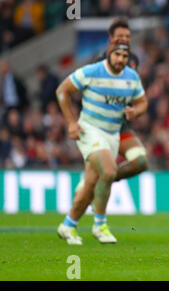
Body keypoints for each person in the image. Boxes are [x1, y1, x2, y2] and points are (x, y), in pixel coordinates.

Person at [56, 40, 147, 245]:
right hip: (90, 129)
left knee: (91, 184)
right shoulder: (93, 71)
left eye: (125, 57)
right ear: (109, 54)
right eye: (118, 55)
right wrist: (71, 123)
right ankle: (100, 225)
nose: (122, 60)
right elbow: (62, 91)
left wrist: (136, 111)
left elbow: (143, 102)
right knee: (107, 170)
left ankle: (68, 225)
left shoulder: (131, 77)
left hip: (114, 132)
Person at [73, 17, 149, 228]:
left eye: (127, 36)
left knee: (141, 161)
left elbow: (135, 92)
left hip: (120, 126)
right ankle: (76, 221)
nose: (124, 39)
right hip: (99, 127)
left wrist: (135, 109)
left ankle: (104, 180)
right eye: (120, 37)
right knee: (91, 181)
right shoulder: (100, 62)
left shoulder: (132, 59)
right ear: (111, 39)